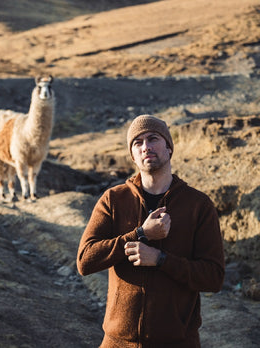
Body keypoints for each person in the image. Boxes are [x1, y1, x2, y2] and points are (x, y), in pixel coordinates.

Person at [77, 114, 225, 348]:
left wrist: (160, 260)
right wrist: (140, 234)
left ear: (168, 147)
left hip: (178, 342)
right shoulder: (113, 200)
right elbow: (85, 261)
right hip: (117, 343)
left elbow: (213, 278)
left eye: (153, 138)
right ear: (133, 155)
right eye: (138, 142)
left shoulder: (198, 205)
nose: (146, 147)